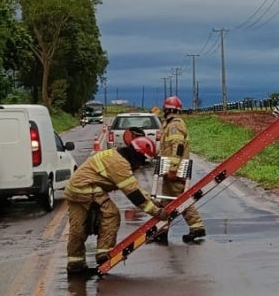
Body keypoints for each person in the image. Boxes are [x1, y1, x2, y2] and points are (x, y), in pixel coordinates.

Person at [65, 136, 167, 277]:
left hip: (74, 190)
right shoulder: (119, 164)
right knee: (111, 215)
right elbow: (134, 194)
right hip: (87, 189)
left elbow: (134, 187)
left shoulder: (116, 156)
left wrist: (153, 201)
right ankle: (103, 253)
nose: (141, 165)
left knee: (78, 228)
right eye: (142, 161)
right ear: (136, 155)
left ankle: (75, 265)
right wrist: (156, 212)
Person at [155, 95, 205, 244]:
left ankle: (196, 227)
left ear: (168, 109)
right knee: (166, 203)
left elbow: (177, 147)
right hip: (171, 169)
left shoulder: (175, 126)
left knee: (180, 200)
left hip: (174, 171)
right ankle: (162, 231)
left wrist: (173, 169)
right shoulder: (169, 125)